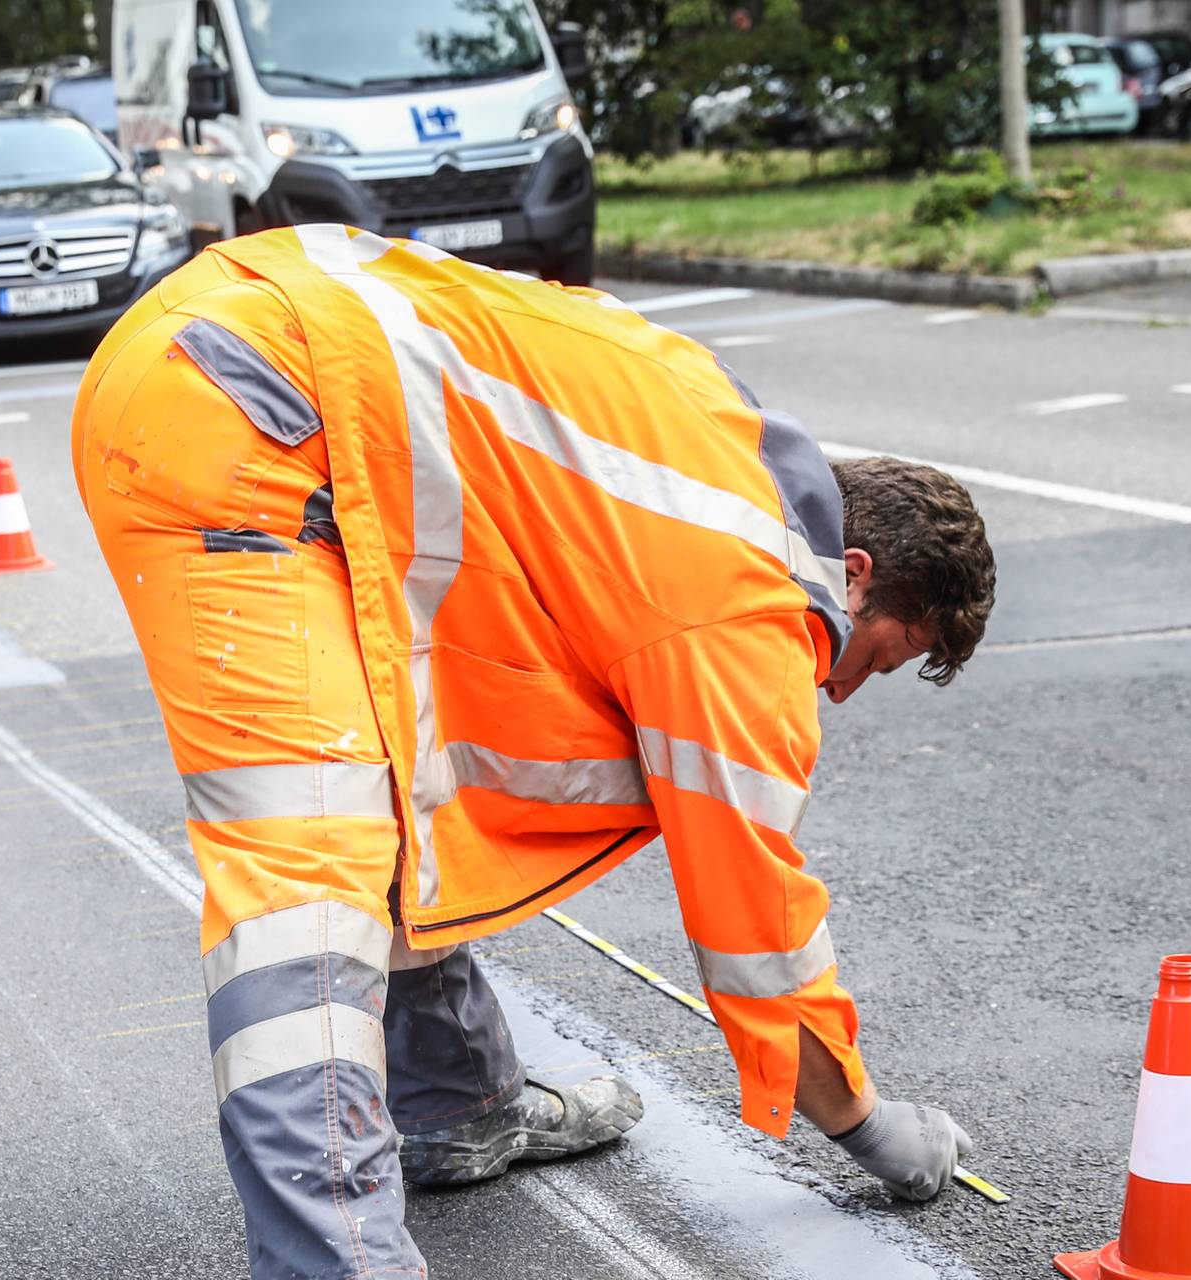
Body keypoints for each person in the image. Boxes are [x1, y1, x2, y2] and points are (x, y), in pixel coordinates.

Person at [70, 225, 1000, 1278]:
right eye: (878, 657)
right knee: (305, 889)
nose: (840, 684)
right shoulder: (751, 600)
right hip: (257, 426)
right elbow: (757, 920)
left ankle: (458, 1103)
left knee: (401, 778)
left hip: (238, 356)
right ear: (858, 571)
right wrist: (877, 1127)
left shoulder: (708, 441)